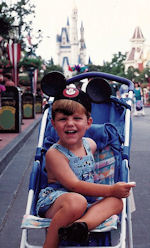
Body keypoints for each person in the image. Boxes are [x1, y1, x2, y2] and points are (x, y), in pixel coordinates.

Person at [36, 84, 135, 248]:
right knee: (77, 201)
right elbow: (74, 186)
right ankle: (50, 244)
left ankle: (79, 227)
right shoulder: (55, 154)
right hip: (57, 202)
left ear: (88, 123)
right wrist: (110, 189)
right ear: (53, 124)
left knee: (117, 203)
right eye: (63, 119)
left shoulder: (90, 144)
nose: (70, 123)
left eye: (76, 118)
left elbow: (105, 143)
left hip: (85, 202)